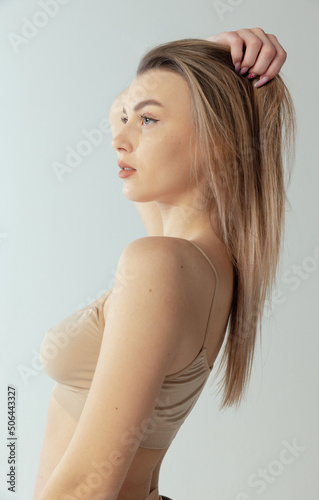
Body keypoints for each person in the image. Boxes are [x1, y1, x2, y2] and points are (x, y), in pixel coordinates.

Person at [34, 28, 296, 500]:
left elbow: (84, 490)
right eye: (126, 120)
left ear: (219, 139)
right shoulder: (195, 257)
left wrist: (204, 69)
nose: (119, 138)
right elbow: (122, 111)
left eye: (148, 122)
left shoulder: (160, 263)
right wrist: (207, 55)